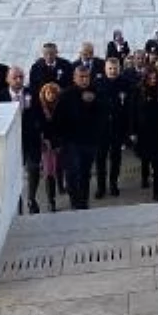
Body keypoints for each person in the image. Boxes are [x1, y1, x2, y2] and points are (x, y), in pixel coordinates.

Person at [53, 65, 102, 209]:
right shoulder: (66, 95)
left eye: (86, 77)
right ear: (75, 78)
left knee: (85, 173)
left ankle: (84, 200)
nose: (84, 80)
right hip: (71, 142)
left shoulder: (96, 92)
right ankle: (75, 201)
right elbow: (58, 119)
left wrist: (93, 102)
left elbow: (103, 113)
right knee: (73, 172)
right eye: (81, 77)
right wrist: (58, 141)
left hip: (90, 140)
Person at [0, 67, 41, 213]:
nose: (18, 80)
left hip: (31, 139)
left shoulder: (33, 94)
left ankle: (32, 198)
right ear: (7, 79)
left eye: (21, 77)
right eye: (15, 77)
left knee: (33, 168)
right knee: (14, 172)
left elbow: (40, 115)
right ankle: (18, 201)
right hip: (11, 140)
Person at [131, 69, 158, 202]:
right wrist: (132, 132)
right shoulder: (138, 90)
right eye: (150, 78)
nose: (153, 80)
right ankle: (144, 177)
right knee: (145, 158)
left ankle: (157, 192)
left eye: (155, 78)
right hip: (143, 132)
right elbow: (133, 112)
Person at [93, 57, 129, 199]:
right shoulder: (97, 84)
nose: (113, 71)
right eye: (110, 69)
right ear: (105, 69)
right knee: (100, 159)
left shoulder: (125, 84)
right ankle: (101, 187)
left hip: (117, 127)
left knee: (116, 158)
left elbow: (128, 107)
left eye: (115, 69)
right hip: (101, 129)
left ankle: (113, 183)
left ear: (119, 69)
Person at [35, 82, 62, 212]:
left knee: (61, 167)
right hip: (46, 144)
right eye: (48, 93)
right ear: (44, 94)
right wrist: (43, 140)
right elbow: (39, 127)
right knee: (49, 172)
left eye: (53, 93)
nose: (51, 96)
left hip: (59, 142)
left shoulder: (61, 106)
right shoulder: (40, 108)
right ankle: (51, 200)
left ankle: (61, 186)